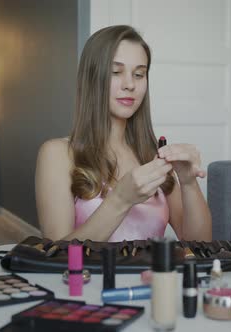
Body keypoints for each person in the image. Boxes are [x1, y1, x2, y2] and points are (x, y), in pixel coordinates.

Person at [35, 25, 212, 242]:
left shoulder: (153, 157)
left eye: (139, 74)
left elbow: (200, 245)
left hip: (150, 277)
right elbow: (57, 256)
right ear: (92, 78)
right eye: (116, 72)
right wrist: (121, 199)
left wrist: (188, 183)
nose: (130, 85)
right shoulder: (57, 153)